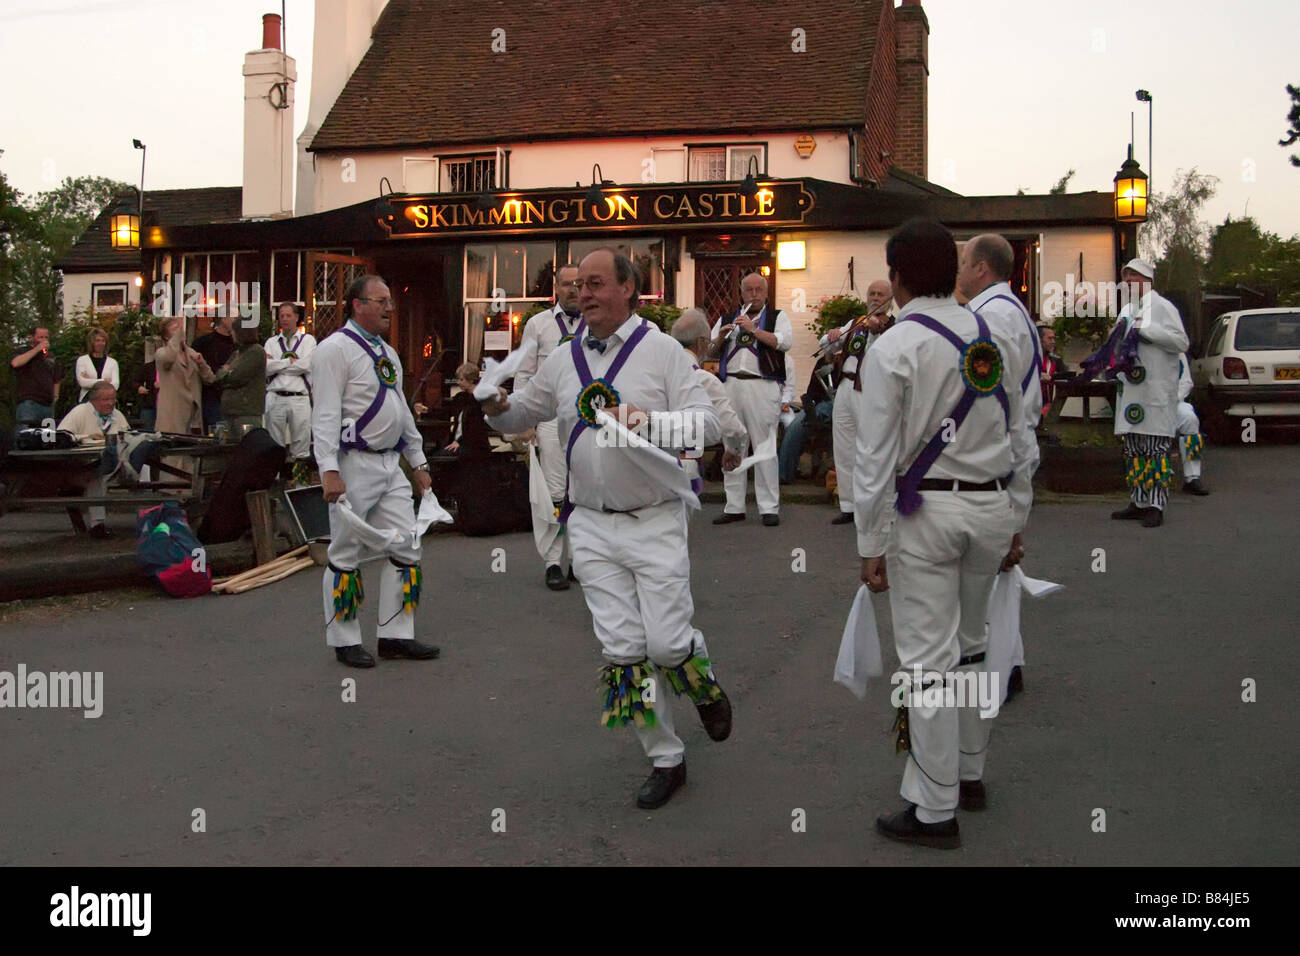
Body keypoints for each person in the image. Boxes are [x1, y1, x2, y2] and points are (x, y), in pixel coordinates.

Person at [482, 248, 728, 810]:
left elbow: (710, 424)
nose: (583, 294)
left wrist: (644, 421)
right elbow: (525, 412)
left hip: (655, 518)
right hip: (589, 524)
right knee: (623, 650)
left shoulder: (664, 353)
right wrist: (495, 404)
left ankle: (701, 680)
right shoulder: (564, 358)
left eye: (595, 284)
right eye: (577, 285)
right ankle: (665, 757)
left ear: (628, 290)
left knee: (666, 644)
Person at [853, 219, 1035, 849]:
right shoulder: (993, 335)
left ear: (898, 275)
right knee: (974, 646)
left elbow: (872, 459)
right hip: (990, 509)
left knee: (927, 663)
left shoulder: (895, 347)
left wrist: (868, 543)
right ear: (953, 271)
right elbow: (1021, 437)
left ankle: (935, 810)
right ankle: (970, 773)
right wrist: (1018, 516)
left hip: (925, 515)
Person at [312, 274, 439, 669]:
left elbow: (400, 410)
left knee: (407, 546)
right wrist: (329, 469)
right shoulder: (333, 350)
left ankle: (396, 635)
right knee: (345, 551)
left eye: (390, 301)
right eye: (380, 301)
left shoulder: (387, 352)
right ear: (356, 304)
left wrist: (417, 462)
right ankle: (344, 639)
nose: (389, 308)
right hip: (353, 463)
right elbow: (326, 414)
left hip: (389, 465)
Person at [1103, 259, 1190, 528]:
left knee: (1155, 452)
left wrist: (1147, 331)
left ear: (1146, 279)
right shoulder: (1127, 310)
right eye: (1125, 278)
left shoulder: (1163, 307)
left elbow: (1181, 342)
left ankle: (1156, 504)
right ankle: (1138, 501)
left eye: (1133, 277)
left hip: (1154, 393)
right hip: (1131, 394)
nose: (1128, 282)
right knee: (1134, 451)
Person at [514, 263, 585, 590]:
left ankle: (581, 562)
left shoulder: (596, 323)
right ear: (555, 289)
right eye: (566, 284)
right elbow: (525, 374)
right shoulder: (537, 324)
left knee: (585, 490)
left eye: (578, 284)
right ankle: (554, 562)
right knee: (555, 492)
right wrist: (523, 419)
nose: (572, 289)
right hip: (550, 417)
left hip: (590, 419)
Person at [709, 271, 792, 526]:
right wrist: (723, 335)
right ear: (741, 293)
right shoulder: (728, 317)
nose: (753, 295)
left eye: (759, 290)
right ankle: (734, 506)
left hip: (762, 385)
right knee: (733, 444)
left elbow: (784, 343)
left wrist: (754, 330)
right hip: (731, 383)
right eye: (748, 290)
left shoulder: (778, 317)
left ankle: (769, 507)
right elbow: (710, 350)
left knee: (764, 444)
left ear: (766, 293)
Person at [820, 279, 894, 524]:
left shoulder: (893, 326)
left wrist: (875, 333)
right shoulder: (856, 323)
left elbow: (879, 357)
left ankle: (873, 505)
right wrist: (831, 336)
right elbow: (826, 344)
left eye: (880, 294)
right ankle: (848, 505)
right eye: (871, 293)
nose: (875, 297)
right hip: (845, 387)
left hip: (870, 391)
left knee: (870, 449)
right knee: (844, 448)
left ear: (890, 299)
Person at [670, 309, 747, 482]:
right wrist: (732, 450)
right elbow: (733, 429)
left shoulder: (653, 373)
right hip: (683, 465)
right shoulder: (703, 379)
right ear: (701, 342)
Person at [57, 381, 130, 539]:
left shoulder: (117, 416)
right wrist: (86, 437)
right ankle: (98, 525)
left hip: (113, 466)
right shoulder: (80, 412)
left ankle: (147, 519)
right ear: (93, 400)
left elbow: (128, 437)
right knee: (97, 476)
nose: (110, 403)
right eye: (106, 400)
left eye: (113, 399)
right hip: (80, 468)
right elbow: (61, 436)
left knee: (140, 468)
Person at [264, 302, 316, 484]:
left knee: (301, 445)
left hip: (299, 398)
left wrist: (277, 364)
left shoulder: (308, 341)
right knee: (274, 445)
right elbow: (265, 368)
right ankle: (275, 484)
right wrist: (290, 363)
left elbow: (307, 364)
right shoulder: (271, 342)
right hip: (275, 396)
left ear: (296, 317)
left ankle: (300, 485)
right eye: (281, 316)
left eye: (288, 315)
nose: (284, 319)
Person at [778, 353, 834, 483]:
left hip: (842, 404)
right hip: (820, 405)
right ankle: (784, 473)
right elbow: (811, 392)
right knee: (795, 427)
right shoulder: (823, 361)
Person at [154, 317, 215, 434]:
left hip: (192, 416)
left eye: (180, 329)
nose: (180, 332)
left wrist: (201, 364)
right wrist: (176, 339)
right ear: (166, 337)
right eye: (175, 330)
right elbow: (169, 358)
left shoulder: (192, 353)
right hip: (172, 415)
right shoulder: (161, 353)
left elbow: (210, 379)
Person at [214, 322, 267, 438]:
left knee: (247, 447)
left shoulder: (255, 351)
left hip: (246, 413)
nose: (231, 334)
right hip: (229, 412)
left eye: (233, 331)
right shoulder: (237, 353)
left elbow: (237, 376)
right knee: (227, 448)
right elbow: (218, 376)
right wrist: (225, 372)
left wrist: (227, 372)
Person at [193, 314, 236, 433]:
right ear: (223, 318)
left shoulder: (238, 344)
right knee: (216, 434)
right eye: (234, 317)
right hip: (211, 396)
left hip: (233, 397)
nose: (236, 320)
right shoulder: (203, 343)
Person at [10, 327, 60, 427]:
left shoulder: (50, 356)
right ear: (31, 337)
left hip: (48, 405)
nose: (44, 340)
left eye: (46, 337)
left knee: (48, 438)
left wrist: (55, 396)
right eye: (40, 337)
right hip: (30, 403)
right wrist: (37, 349)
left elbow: (57, 378)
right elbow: (15, 363)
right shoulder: (23, 351)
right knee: (27, 437)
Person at [1176, 353, 1210, 496]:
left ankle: (1192, 478)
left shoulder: (1176, 350)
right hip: (1148, 407)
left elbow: (1186, 382)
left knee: (1189, 418)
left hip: (1173, 403)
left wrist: (1173, 398)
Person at [445, 363, 492, 458]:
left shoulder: (480, 399)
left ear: (471, 380)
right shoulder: (461, 398)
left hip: (474, 446)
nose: (458, 382)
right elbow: (446, 411)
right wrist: (425, 410)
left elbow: (476, 428)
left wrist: (459, 442)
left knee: (439, 456)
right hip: (458, 443)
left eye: (461, 380)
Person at [74, 327, 121, 402]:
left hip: (107, 400)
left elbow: (115, 385)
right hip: (87, 399)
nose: (100, 343)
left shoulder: (113, 363)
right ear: (91, 342)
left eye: (103, 341)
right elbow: (83, 382)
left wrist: (91, 381)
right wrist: (104, 381)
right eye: (97, 341)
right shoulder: (82, 360)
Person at [1037, 325, 1064, 421]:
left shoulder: (1055, 359)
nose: (1053, 342)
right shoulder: (1029, 358)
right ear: (1039, 339)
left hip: (1047, 406)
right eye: (1049, 338)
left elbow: (1066, 375)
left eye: (1054, 338)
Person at [134, 359, 158, 431]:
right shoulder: (148, 367)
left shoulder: (173, 368)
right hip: (149, 405)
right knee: (146, 432)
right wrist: (139, 387)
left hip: (167, 407)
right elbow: (135, 381)